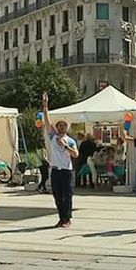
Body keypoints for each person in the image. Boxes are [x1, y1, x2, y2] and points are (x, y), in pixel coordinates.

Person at [42, 92, 79, 228]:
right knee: (57, 195)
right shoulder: (53, 136)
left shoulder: (70, 140)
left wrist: (66, 146)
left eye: (64, 126)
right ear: (57, 127)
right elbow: (46, 121)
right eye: (60, 125)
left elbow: (75, 154)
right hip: (56, 170)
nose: (62, 127)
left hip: (66, 171)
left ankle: (67, 218)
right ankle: (61, 218)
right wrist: (45, 105)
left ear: (66, 128)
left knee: (67, 195)